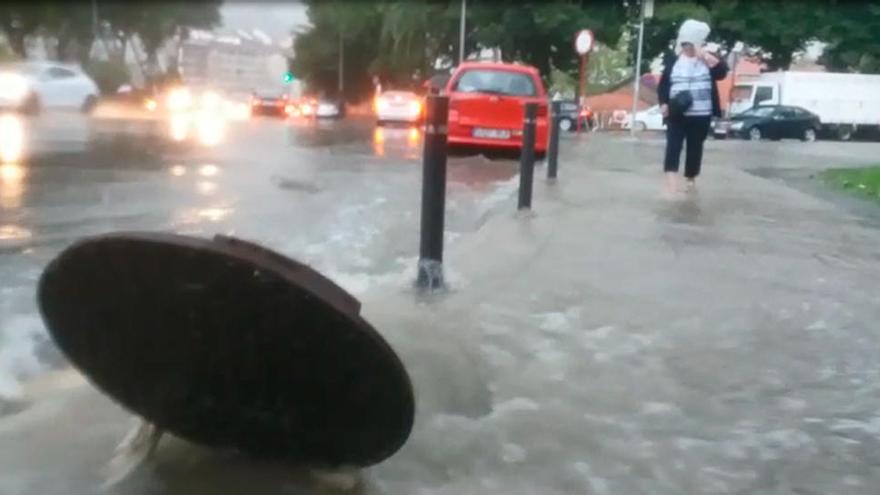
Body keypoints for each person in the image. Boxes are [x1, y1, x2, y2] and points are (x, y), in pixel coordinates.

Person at [657, 19, 729, 193]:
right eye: (685, 44)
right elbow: (663, 85)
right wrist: (663, 104)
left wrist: (703, 55)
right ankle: (671, 188)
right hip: (676, 113)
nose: (687, 48)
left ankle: (690, 181)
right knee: (673, 147)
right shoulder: (673, 61)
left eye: (691, 44)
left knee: (695, 148)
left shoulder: (708, 59)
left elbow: (722, 73)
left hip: (701, 114)